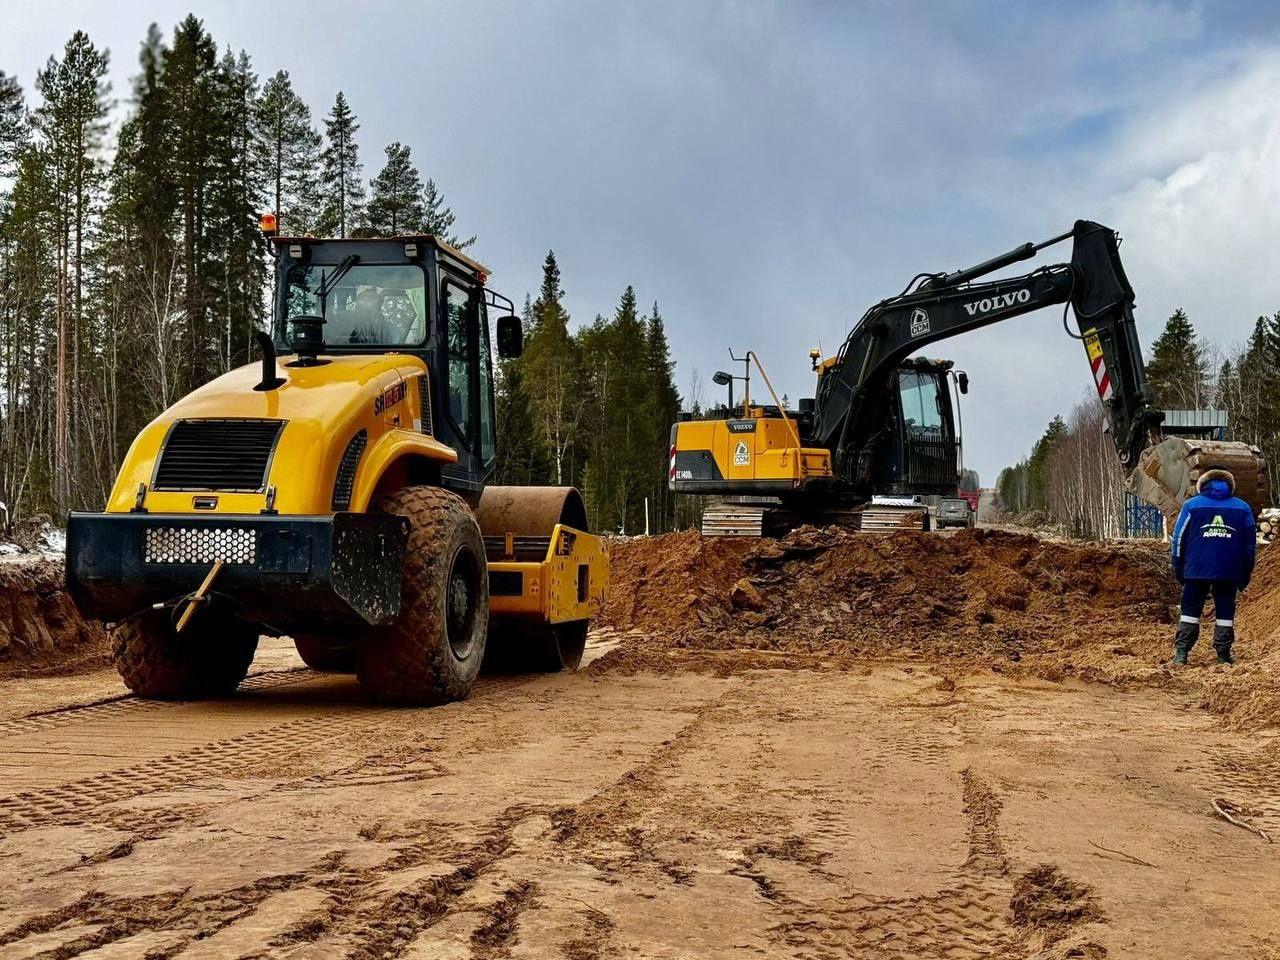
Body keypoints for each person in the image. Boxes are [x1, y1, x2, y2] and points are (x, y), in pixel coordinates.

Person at [1170, 468, 1256, 665]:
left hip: (1195, 570)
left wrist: (1178, 568)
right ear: (1230, 486)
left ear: (1202, 485)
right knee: (1225, 613)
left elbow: (1178, 540)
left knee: (1190, 612)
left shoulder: (1191, 506)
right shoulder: (1242, 508)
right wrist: (1245, 573)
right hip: (1229, 572)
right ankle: (1223, 655)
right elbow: (1249, 546)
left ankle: (1181, 654)